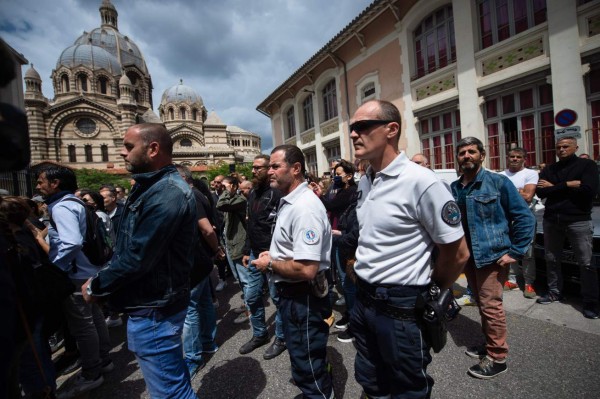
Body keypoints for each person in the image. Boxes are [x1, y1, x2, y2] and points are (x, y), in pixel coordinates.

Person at [349, 100, 468, 397]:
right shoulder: (366, 180)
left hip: (400, 306)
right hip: (363, 300)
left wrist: (430, 290)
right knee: (370, 378)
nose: (353, 134)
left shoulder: (422, 182)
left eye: (362, 126)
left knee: (407, 388)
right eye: (352, 128)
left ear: (391, 130)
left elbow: (458, 253)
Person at [81, 123, 197, 399]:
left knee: (170, 392)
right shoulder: (152, 187)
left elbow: (137, 256)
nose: (122, 153)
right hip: (150, 303)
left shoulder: (167, 193)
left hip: (155, 308)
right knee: (172, 385)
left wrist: (97, 286)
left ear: (153, 148)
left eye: (129, 147)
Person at [252, 145, 333, 399]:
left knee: (308, 365)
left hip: (303, 298)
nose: (269, 171)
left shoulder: (304, 207)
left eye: (275, 166)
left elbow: (307, 269)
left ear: (296, 169)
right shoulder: (290, 200)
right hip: (294, 296)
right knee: (303, 358)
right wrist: (273, 256)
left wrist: (270, 264)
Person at [451, 137, 535, 379]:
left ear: (482, 155)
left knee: (491, 306)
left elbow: (524, 217)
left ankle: (498, 357)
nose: (466, 156)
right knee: (480, 302)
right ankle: (489, 344)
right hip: (468, 257)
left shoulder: (499, 182)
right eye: (462, 152)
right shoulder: (456, 187)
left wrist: (515, 251)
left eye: (471, 151)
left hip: (492, 256)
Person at [35, 165, 113, 396]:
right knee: (95, 318)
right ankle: (104, 359)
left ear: (55, 183)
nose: (38, 186)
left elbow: (72, 242)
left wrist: (56, 265)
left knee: (83, 325)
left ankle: (92, 372)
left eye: (41, 181)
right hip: (89, 269)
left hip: (77, 274)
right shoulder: (76, 203)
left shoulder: (62, 207)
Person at [536, 137, 600, 319]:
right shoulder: (550, 168)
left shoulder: (587, 165)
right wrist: (569, 184)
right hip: (551, 219)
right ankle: (555, 292)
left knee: (586, 263)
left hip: (577, 220)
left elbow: (589, 190)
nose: (561, 149)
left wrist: (554, 187)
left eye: (566, 146)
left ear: (575, 147)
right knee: (551, 259)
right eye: (558, 147)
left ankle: (590, 302)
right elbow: (541, 192)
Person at [176, 165, 222, 378]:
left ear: (183, 178)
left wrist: (216, 248)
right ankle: (208, 342)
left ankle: (194, 357)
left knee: (191, 310)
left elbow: (206, 228)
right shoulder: (198, 194)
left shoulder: (190, 196)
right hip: (200, 260)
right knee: (203, 303)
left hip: (195, 261)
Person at [239, 154, 286, 359]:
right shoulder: (253, 194)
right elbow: (252, 224)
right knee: (251, 296)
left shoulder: (277, 194)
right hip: (254, 253)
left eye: (258, 168)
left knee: (277, 298)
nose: (253, 171)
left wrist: (275, 256)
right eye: (253, 167)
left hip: (273, 255)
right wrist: (247, 250)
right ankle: (260, 334)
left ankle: (282, 338)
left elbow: (280, 227)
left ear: (268, 169)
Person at [499, 147, 539, 298]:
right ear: (507, 158)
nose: (515, 159)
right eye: (512, 156)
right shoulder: (500, 175)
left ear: (524, 159)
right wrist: (518, 192)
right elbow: (497, 197)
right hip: (506, 218)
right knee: (509, 250)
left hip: (525, 218)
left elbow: (528, 196)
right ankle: (512, 280)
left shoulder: (530, 173)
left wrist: (509, 193)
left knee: (527, 252)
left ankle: (529, 283)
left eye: (518, 156)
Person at [216, 176, 250, 324]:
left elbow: (221, 205)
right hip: (230, 243)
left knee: (245, 279)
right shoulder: (232, 199)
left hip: (239, 244)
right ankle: (247, 303)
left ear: (234, 186)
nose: (222, 189)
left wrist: (227, 191)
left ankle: (251, 310)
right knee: (239, 278)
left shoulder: (240, 200)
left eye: (225, 186)